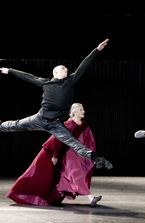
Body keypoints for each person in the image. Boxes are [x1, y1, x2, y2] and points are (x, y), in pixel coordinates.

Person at [0, 39, 113, 170]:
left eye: (66, 68)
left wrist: (97, 50)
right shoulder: (46, 83)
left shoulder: (70, 81)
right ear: (56, 73)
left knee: (74, 142)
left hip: (56, 124)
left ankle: (96, 159)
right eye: (63, 68)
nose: (66, 69)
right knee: (17, 125)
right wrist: (9, 70)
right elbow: (28, 76)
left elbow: (84, 65)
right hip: (40, 118)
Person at [6, 103, 102, 207]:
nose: (83, 111)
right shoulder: (68, 124)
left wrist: (91, 156)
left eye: (83, 109)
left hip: (72, 156)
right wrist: (55, 156)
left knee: (72, 176)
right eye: (80, 110)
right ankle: (91, 198)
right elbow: (57, 140)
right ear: (73, 112)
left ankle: (61, 195)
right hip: (64, 156)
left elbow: (87, 141)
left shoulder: (83, 125)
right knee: (75, 175)